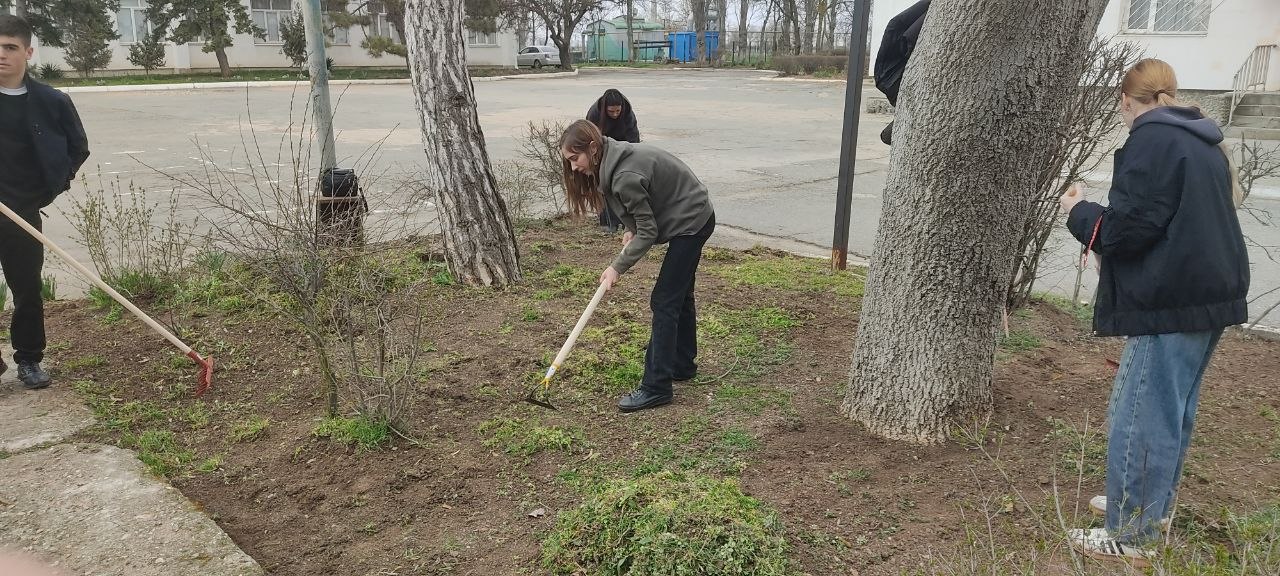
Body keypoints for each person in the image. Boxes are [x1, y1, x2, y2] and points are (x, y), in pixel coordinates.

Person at [1060, 58, 1249, 565]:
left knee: (1142, 414)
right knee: (1172, 408)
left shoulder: (1151, 140)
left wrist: (1078, 211)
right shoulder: (1198, 137)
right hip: (1207, 293)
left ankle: (1129, 532)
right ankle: (1150, 508)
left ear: (1125, 100)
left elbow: (1128, 230)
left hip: (1171, 299)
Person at [559, 119, 714, 413]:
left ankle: (656, 387)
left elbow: (649, 231)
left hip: (692, 220)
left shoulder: (623, 175)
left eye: (575, 158)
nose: (574, 167)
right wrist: (632, 227)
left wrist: (617, 267)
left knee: (665, 300)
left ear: (592, 148)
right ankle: (682, 364)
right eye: (569, 161)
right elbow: (643, 208)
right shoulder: (612, 157)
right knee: (679, 295)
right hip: (688, 213)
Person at [0, 15, 90, 389]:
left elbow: (78, 149)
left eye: (10, 47)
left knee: (27, 289)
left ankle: (29, 359)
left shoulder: (52, 102)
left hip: (21, 212)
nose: (1, 55)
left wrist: (49, 190)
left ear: (28, 52)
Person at [872, 0, 929, 145]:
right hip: (892, 76)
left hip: (894, 76)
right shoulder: (887, 83)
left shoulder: (891, 86)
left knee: (897, 27)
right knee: (897, 27)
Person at [585, 89, 640, 233]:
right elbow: (590, 140)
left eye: (617, 111)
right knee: (604, 184)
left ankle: (626, 222)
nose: (615, 114)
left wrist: (632, 161)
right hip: (602, 148)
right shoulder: (594, 114)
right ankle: (608, 223)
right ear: (605, 109)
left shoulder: (628, 113)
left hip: (623, 147)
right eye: (611, 111)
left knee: (623, 185)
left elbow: (634, 140)